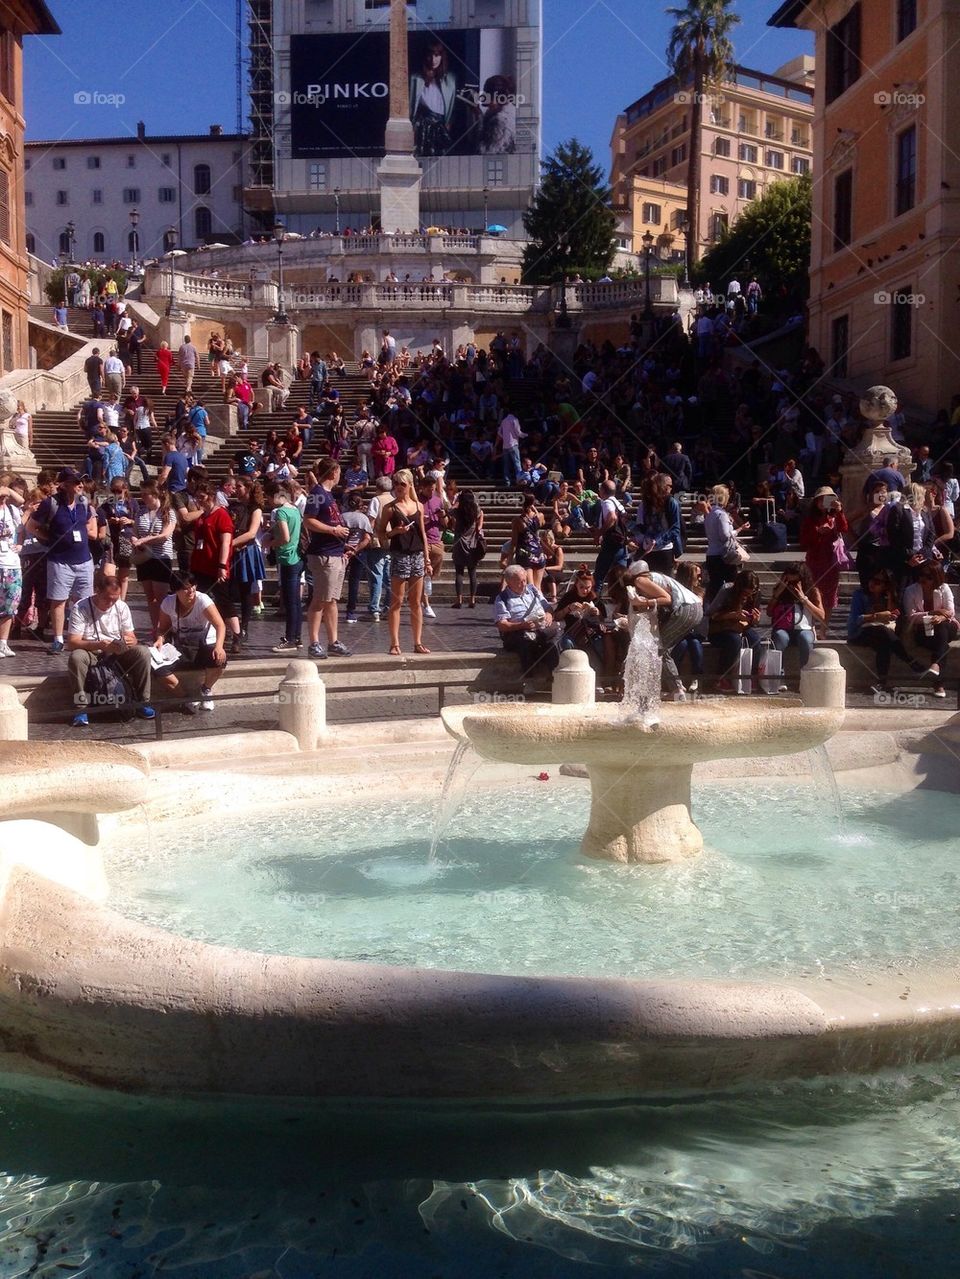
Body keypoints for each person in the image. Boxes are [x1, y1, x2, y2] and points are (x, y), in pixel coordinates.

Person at [67, 569, 154, 727]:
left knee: (143, 652)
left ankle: (143, 702)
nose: (111, 603)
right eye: (107, 599)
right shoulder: (81, 608)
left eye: (115, 599)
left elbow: (132, 637)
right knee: (76, 657)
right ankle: (80, 708)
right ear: (97, 591)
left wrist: (129, 641)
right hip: (91, 650)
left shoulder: (121, 607)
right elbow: (72, 642)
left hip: (116, 650)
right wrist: (98, 645)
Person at [26, 467, 97, 654]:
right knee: (59, 600)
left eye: (81, 481)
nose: (80, 484)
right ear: (64, 485)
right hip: (60, 560)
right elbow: (32, 526)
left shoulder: (83, 502)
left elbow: (89, 524)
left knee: (84, 600)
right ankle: (58, 639)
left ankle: (81, 636)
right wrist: (48, 539)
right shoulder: (51, 503)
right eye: (76, 481)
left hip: (84, 560)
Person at [623, 559, 703, 700]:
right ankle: (676, 687)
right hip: (693, 609)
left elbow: (666, 599)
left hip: (686, 609)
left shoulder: (640, 580)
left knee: (659, 648)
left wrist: (644, 602)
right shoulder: (655, 578)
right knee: (662, 649)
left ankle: (677, 690)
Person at [153, 573, 228, 714]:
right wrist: (159, 639)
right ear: (176, 590)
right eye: (186, 588)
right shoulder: (168, 603)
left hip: (203, 646)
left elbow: (220, 625)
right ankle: (185, 698)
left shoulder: (203, 600)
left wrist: (219, 646)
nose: (191, 591)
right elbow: (162, 629)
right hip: (180, 647)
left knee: (220, 659)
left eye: (193, 586)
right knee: (157, 668)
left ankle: (206, 689)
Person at [377, 468, 431, 656]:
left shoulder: (418, 505)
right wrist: (395, 533)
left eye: (402, 484)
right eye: (396, 483)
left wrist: (427, 558)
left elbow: (423, 534)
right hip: (399, 555)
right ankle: (395, 643)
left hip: (417, 555)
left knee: (416, 602)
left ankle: (417, 642)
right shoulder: (389, 508)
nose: (398, 487)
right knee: (396, 602)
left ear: (409, 485)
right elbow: (381, 533)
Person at [847, 567, 923, 696]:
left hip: (882, 635)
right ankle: (910, 661)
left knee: (885, 644)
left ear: (886, 585)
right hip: (859, 633)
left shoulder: (888, 597)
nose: (872, 583)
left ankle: (882, 682)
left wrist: (889, 603)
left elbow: (894, 618)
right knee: (882, 632)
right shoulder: (860, 594)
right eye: (872, 580)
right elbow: (855, 620)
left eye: (878, 582)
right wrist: (876, 616)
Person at [304, 458, 351, 660]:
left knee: (331, 600)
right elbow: (309, 520)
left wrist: (342, 541)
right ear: (333, 472)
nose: (340, 475)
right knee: (320, 600)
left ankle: (333, 641)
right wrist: (334, 530)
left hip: (335, 552)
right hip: (324, 554)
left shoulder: (329, 495)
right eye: (339, 471)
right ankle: (314, 642)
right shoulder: (317, 493)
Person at [494, 564, 562, 681]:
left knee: (553, 641)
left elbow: (548, 607)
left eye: (524, 580)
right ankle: (529, 679)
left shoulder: (532, 590)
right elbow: (502, 625)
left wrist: (549, 615)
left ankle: (555, 676)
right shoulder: (502, 598)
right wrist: (522, 625)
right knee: (526, 643)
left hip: (540, 628)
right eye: (519, 582)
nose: (523, 584)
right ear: (509, 582)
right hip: (518, 632)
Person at [902, 562, 958, 697]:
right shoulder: (911, 590)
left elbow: (950, 612)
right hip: (922, 629)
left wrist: (941, 618)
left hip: (946, 626)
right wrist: (934, 612)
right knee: (941, 644)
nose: (923, 579)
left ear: (936, 576)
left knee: (942, 628)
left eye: (928, 576)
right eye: (921, 575)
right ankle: (938, 681)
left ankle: (936, 671)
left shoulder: (944, 589)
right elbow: (911, 616)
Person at [707, 569, 765, 694]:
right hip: (720, 628)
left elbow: (752, 621)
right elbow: (711, 615)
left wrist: (754, 620)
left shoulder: (756, 594)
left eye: (751, 592)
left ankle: (752, 675)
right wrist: (733, 615)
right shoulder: (727, 590)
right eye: (745, 592)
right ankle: (721, 677)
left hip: (741, 627)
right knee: (734, 641)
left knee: (755, 640)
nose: (748, 595)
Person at [800, 487, 849, 633]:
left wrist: (839, 511)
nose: (823, 502)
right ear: (815, 502)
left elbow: (844, 528)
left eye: (827, 499)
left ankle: (824, 628)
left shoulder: (834, 516)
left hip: (831, 561)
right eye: (821, 499)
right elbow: (803, 541)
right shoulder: (810, 520)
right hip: (814, 561)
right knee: (813, 594)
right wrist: (818, 532)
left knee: (829, 596)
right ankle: (813, 625)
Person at [130, 481, 176, 632]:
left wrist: (144, 540)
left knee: (161, 597)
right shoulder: (141, 512)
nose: (142, 497)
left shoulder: (167, 512)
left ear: (155, 495)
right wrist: (135, 539)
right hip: (144, 557)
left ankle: (165, 628)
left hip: (160, 557)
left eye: (145, 494)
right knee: (150, 597)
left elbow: (165, 535)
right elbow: (135, 531)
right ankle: (155, 628)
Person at [228, 476, 267, 649]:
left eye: (240, 486)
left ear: (249, 488)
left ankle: (244, 628)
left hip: (246, 551)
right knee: (228, 592)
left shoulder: (255, 508)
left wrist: (230, 544)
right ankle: (232, 627)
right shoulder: (232, 507)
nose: (236, 489)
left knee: (245, 593)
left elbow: (251, 533)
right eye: (235, 486)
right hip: (231, 551)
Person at [767, 564, 825, 673]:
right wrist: (777, 594)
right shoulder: (780, 591)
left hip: (804, 629)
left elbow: (821, 616)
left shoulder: (813, 591)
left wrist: (804, 599)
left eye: (796, 582)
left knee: (806, 638)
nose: (792, 586)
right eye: (790, 582)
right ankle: (778, 675)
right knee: (780, 636)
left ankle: (806, 675)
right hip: (783, 629)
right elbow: (769, 612)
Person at [410, 39, 457, 155]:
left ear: (442, 57)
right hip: (421, 127)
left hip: (442, 128)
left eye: (437, 55)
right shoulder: (415, 78)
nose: (433, 60)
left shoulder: (450, 79)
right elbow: (410, 106)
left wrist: (448, 124)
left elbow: (453, 106)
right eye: (429, 56)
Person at [632, 473, 683, 575]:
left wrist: (657, 541)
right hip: (648, 550)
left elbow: (675, 529)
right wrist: (640, 538)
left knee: (666, 583)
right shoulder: (645, 504)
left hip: (665, 550)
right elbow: (641, 526)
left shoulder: (671, 503)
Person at [704, 483, 747, 599]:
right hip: (722, 556)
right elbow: (725, 536)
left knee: (714, 586)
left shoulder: (709, 514)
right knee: (730, 586)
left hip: (711, 554)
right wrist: (736, 532)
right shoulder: (721, 514)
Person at [0, 476, 23, 658]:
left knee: (10, 605)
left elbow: (21, 500)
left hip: (12, 562)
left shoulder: (12, 510)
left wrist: (21, 545)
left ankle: (3, 643)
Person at [451, 488, 484, 609]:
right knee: (472, 572)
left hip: (459, 544)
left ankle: (459, 599)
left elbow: (449, 510)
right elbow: (482, 514)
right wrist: (479, 527)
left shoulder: (458, 511)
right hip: (472, 543)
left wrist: (455, 500)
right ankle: (472, 600)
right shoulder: (475, 509)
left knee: (459, 573)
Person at [593, 480, 629, 591]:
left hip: (610, 546)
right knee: (621, 577)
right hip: (621, 545)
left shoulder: (607, 502)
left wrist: (599, 533)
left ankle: (595, 601)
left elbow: (612, 517)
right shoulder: (618, 503)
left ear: (603, 490)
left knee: (599, 575)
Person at [511, 493, 546, 589]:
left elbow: (514, 541)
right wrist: (534, 509)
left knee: (530, 587)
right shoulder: (540, 516)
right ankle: (540, 603)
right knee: (537, 586)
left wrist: (509, 557)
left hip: (524, 552)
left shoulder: (517, 520)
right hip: (538, 552)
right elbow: (542, 523)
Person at [496, 406, 525, 487]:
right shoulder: (515, 420)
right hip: (513, 444)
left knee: (506, 465)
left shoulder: (503, 421)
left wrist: (505, 437)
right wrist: (526, 435)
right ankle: (519, 481)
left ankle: (507, 482)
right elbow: (518, 433)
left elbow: (499, 433)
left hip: (505, 445)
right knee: (517, 464)